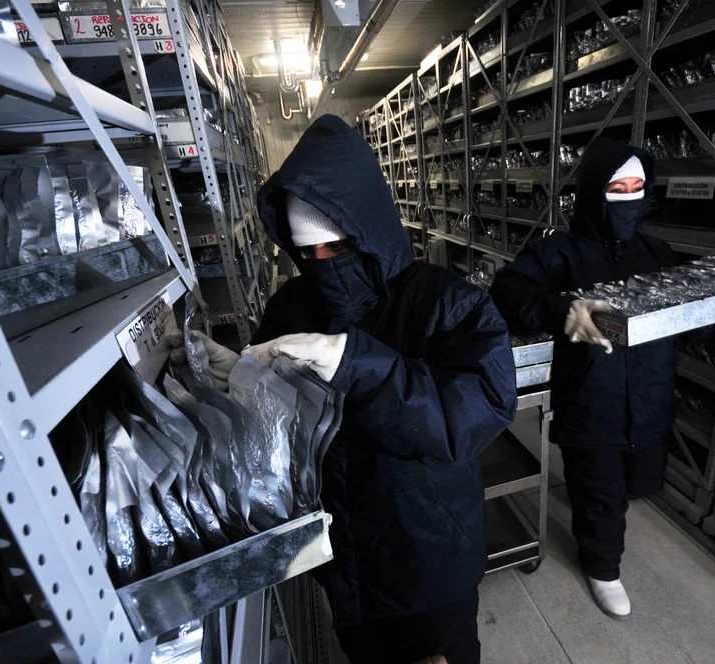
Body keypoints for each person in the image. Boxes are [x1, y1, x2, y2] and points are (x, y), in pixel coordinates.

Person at [245, 114, 518, 664]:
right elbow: (275, 423)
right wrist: (239, 377)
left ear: (369, 228)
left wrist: (359, 364)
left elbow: (476, 411)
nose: (322, 264)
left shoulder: (447, 304)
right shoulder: (290, 307)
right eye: (308, 252)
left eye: (337, 247)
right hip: (342, 555)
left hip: (428, 559)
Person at [488, 137, 676, 621]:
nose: (628, 198)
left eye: (636, 188)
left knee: (632, 479)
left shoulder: (656, 253)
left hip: (650, 393)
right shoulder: (560, 253)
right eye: (617, 188)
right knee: (599, 485)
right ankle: (603, 566)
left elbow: (690, 314)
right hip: (592, 395)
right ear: (594, 190)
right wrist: (563, 310)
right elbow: (507, 290)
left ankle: (601, 524)